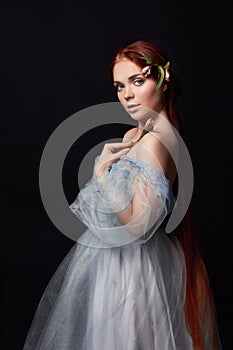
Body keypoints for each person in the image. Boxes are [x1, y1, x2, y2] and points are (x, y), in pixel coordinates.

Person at [23, 39, 222, 349]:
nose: (126, 94)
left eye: (137, 81)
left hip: (134, 266)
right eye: (119, 86)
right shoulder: (137, 133)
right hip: (116, 261)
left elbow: (138, 227)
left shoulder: (157, 139)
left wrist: (102, 175)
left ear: (162, 80)